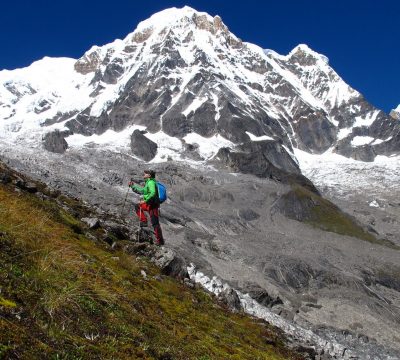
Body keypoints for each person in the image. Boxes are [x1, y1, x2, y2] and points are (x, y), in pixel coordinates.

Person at [129, 170, 165, 246]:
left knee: (155, 224)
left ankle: (160, 241)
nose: (144, 174)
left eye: (145, 173)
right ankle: (144, 221)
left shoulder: (151, 182)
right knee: (137, 206)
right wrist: (133, 186)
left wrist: (145, 201)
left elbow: (153, 193)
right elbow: (142, 191)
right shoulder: (148, 182)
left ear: (149, 175)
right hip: (149, 204)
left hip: (152, 205)